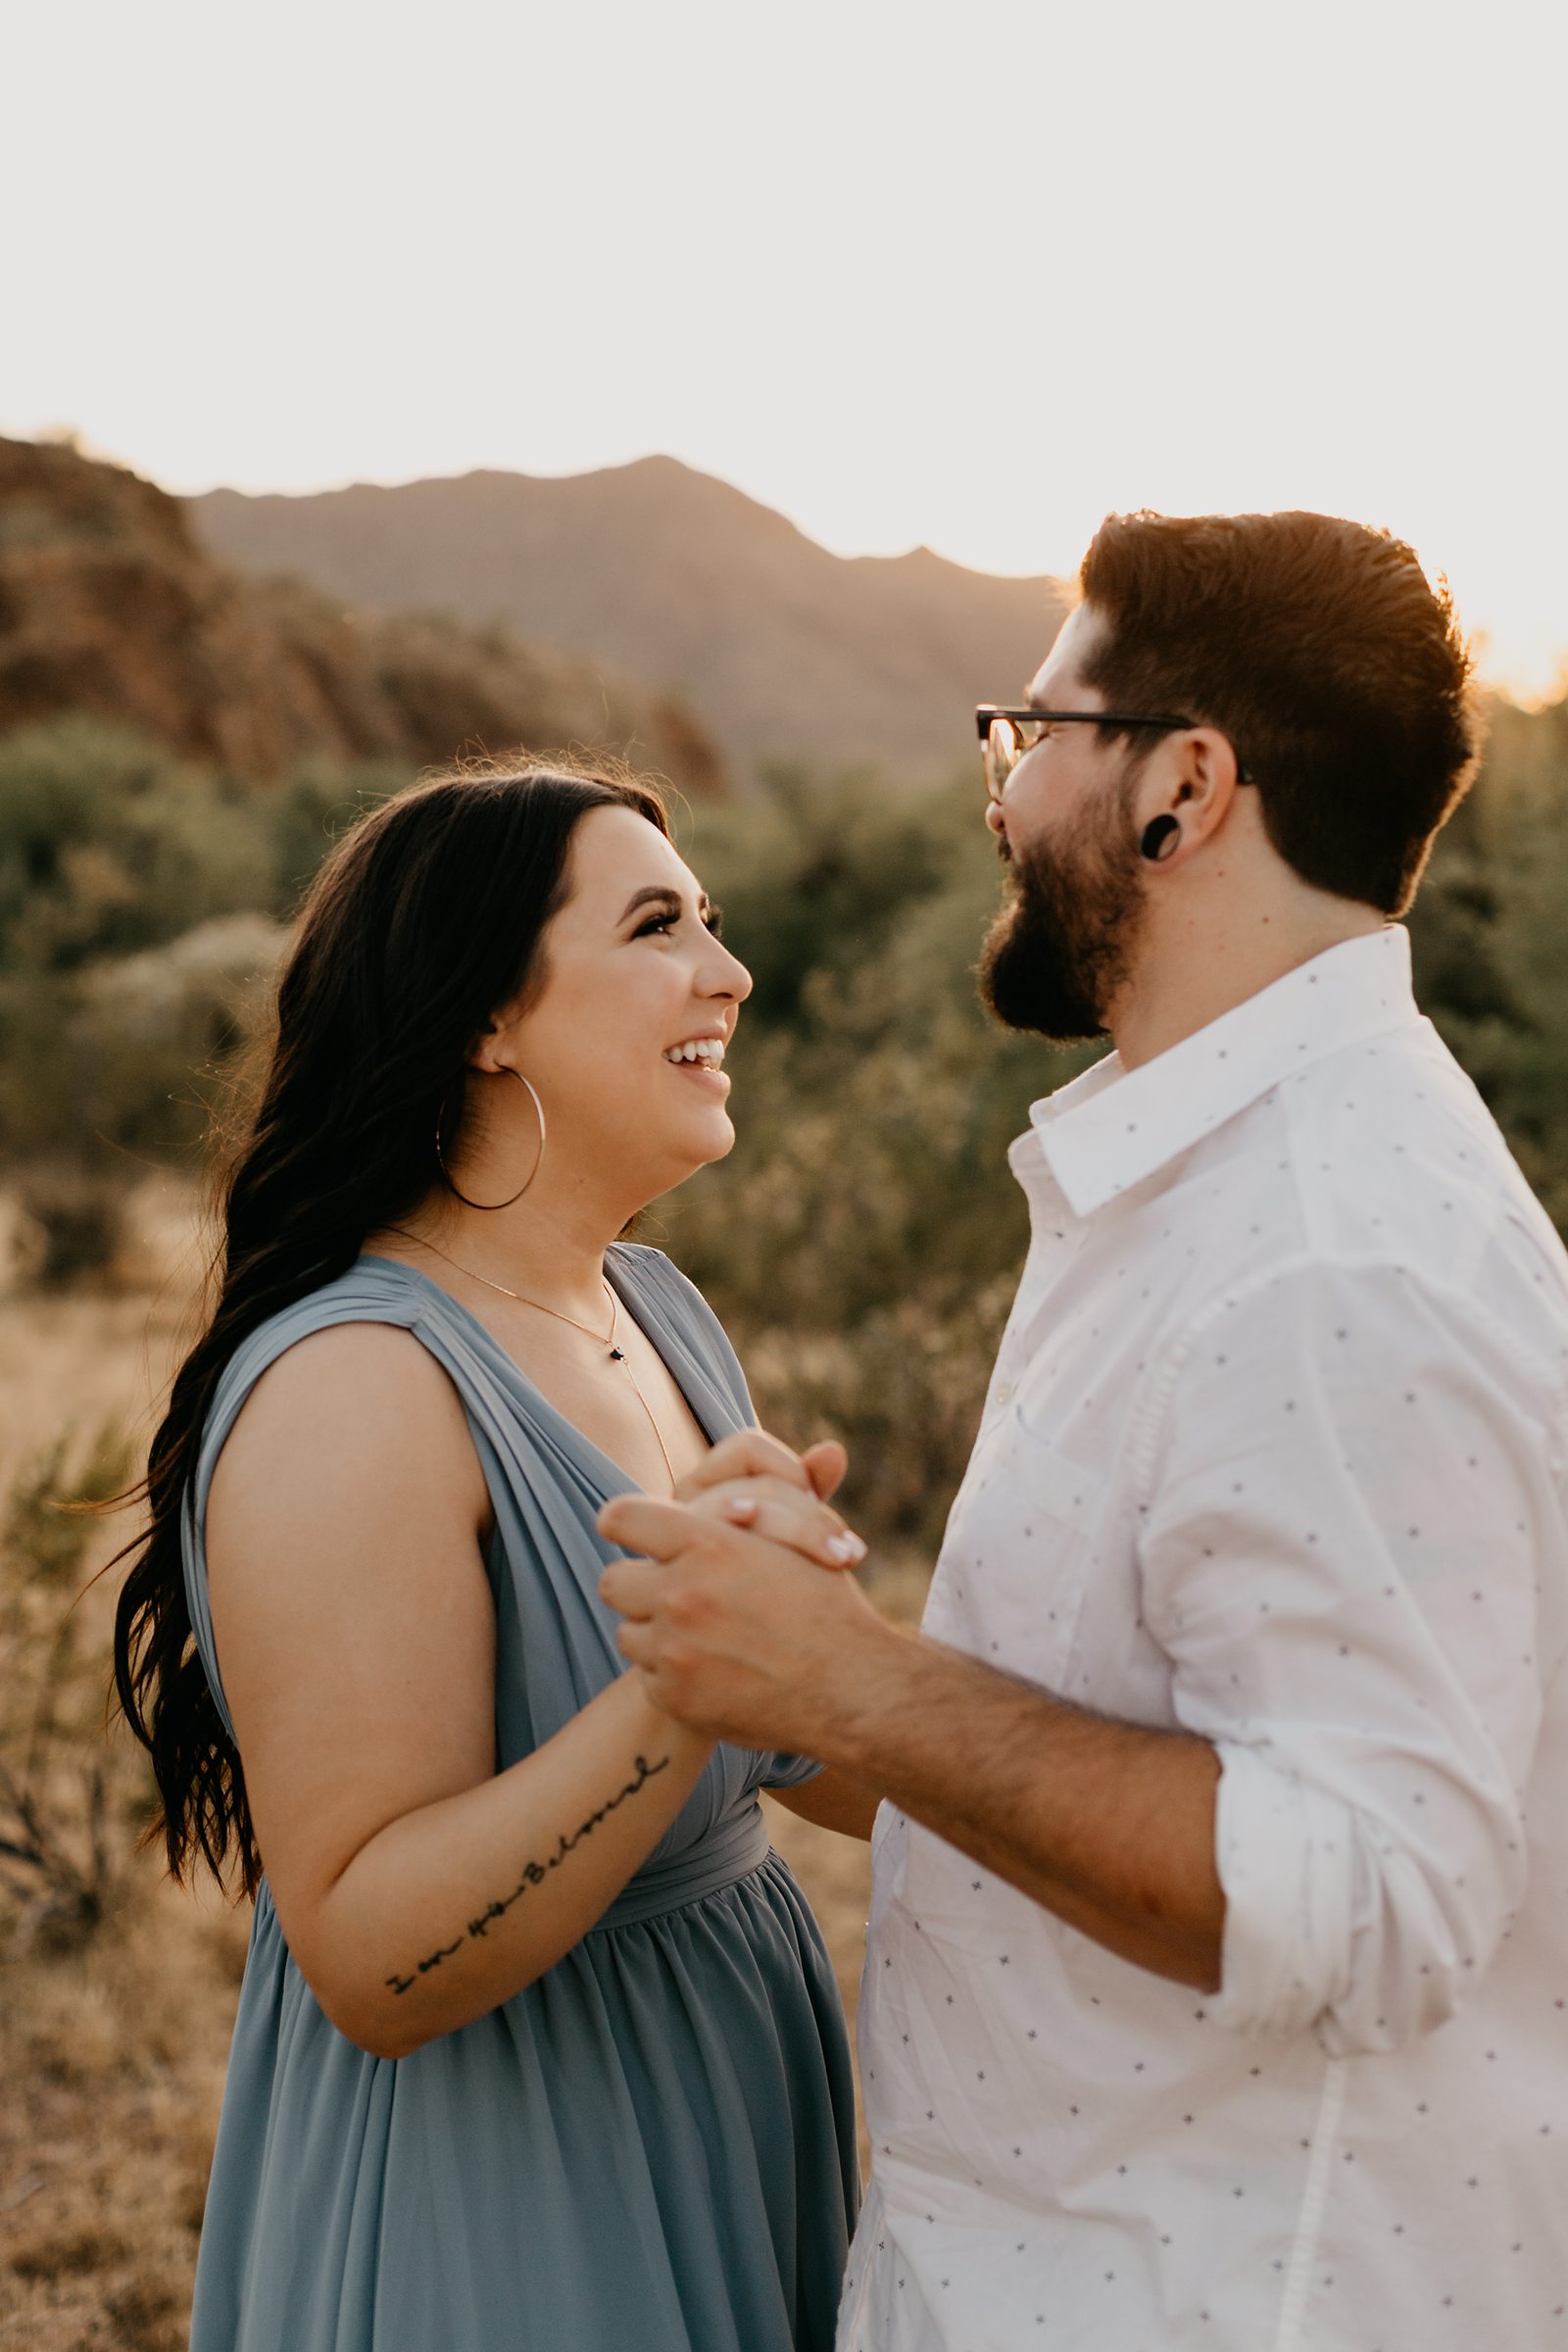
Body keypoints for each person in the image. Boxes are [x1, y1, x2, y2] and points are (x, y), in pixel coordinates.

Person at [599, 511, 1568, 2351]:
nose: (1000, 789)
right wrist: (800, 1677)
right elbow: (1120, 1751)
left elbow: (1371, 1895)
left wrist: (864, 1689)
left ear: (1183, 789)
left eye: (1033, 731)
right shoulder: (1197, 1175)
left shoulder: (1333, 1246)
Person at [111, 760, 865, 2352]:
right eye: (660, 925)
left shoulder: (657, 1310)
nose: (728, 973)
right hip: (508, 2172)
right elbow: (376, 1958)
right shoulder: (355, 1387)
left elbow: (796, 1734)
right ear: (483, 1017)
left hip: (732, 2087)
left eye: (714, 923)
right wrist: (681, 1684)